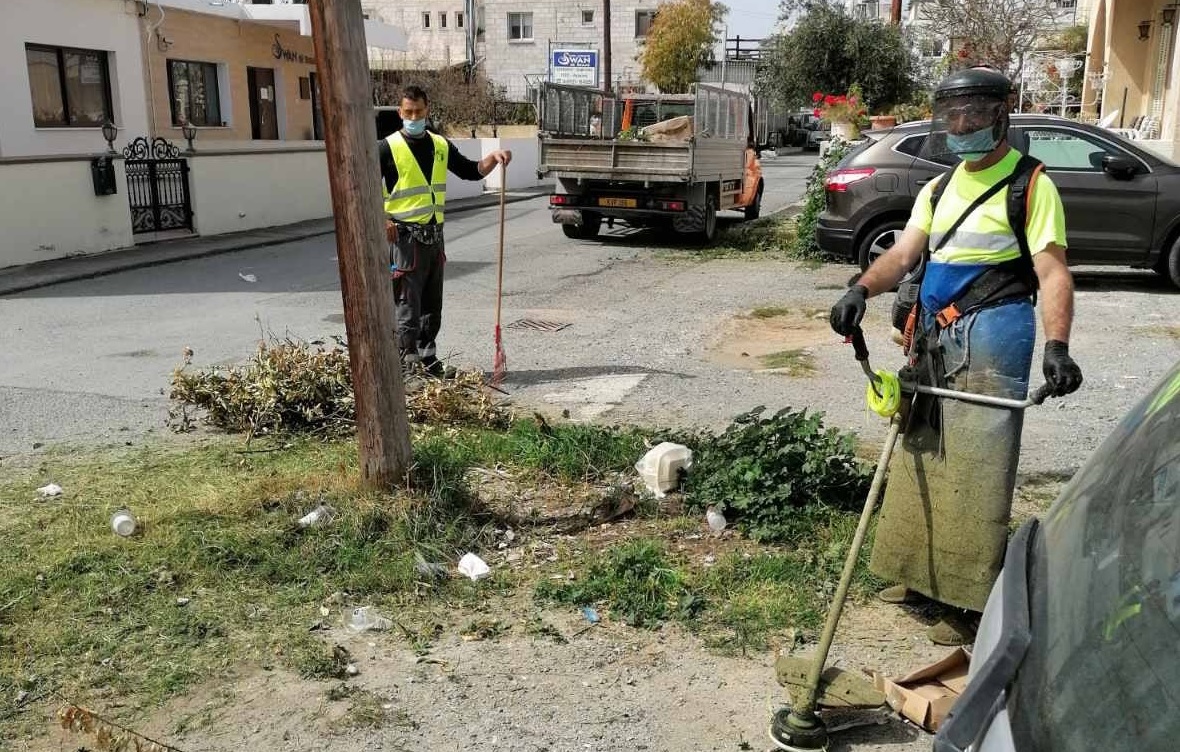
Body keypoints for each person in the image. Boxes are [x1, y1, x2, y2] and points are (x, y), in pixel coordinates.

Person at [828, 66, 1084, 645]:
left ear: (1000, 114)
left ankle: (966, 601)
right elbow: (902, 255)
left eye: (973, 113)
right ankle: (915, 573)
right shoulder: (938, 189)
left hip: (996, 336)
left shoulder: (1031, 186)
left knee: (977, 467)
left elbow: (1052, 271)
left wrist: (1058, 345)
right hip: (931, 339)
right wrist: (860, 289)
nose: (962, 124)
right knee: (922, 451)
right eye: (953, 115)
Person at [379, 85, 512, 377]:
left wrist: (494, 157)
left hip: (433, 237)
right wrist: (383, 218)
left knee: (431, 304)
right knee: (407, 306)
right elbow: (363, 189)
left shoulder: (440, 145)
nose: (414, 117)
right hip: (403, 239)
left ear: (427, 111)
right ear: (400, 113)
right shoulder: (386, 147)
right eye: (408, 112)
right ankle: (406, 363)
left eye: (419, 111)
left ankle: (428, 359)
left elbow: (469, 170)